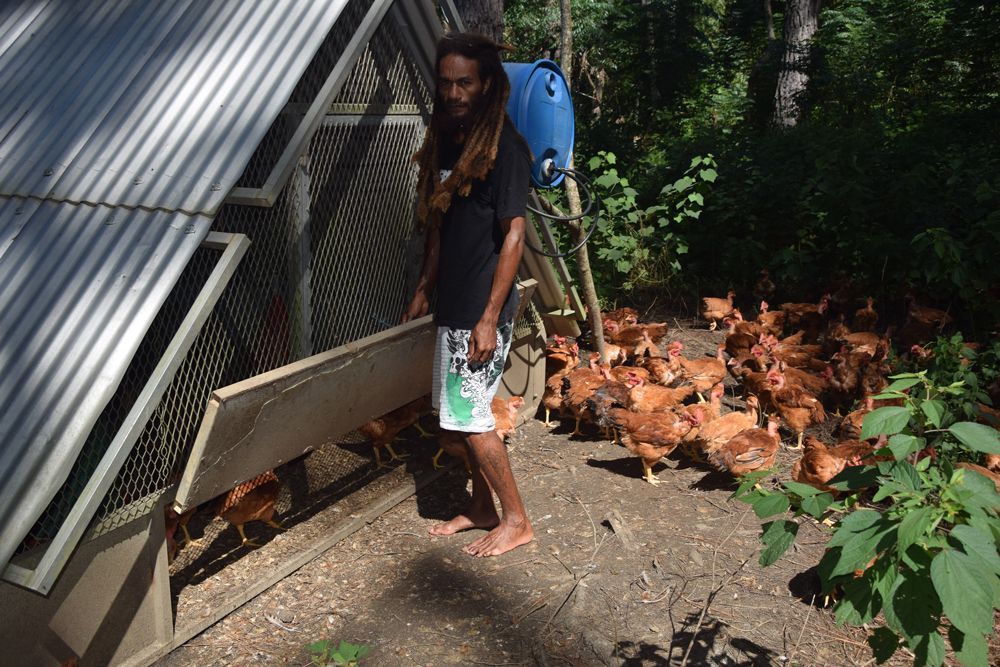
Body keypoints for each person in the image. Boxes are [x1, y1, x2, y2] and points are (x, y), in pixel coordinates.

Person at [402, 32, 534, 558]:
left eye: (465, 82)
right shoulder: (448, 141)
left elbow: (514, 235)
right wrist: (423, 286)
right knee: (458, 418)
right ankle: (481, 508)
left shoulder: (506, 147)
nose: (454, 92)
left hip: (482, 309)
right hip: (454, 306)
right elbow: (438, 220)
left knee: (474, 420)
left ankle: (517, 520)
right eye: (446, 81)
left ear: (486, 86)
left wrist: (488, 318)